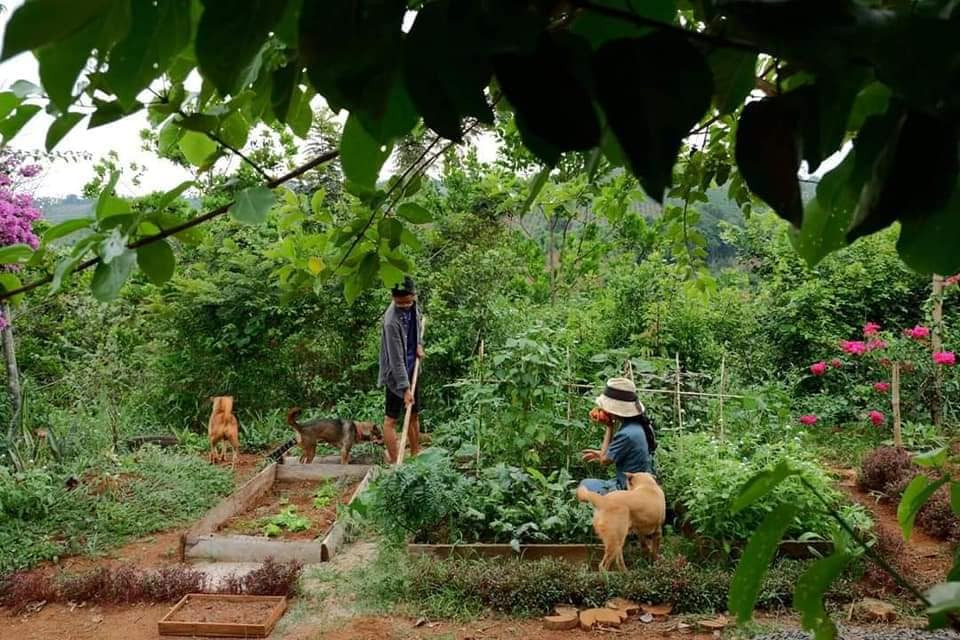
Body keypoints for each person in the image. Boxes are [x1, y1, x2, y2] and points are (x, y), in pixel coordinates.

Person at [579, 377, 657, 496]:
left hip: (629, 489)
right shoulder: (639, 426)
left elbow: (605, 461)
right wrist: (601, 454)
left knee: (584, 485)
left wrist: (609, 426)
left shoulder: (626, 434)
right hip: (644, 485)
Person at [378, 276, 425, 462]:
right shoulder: (391, 321)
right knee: (391, 420)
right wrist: (404, 389)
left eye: (408, 301)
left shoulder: (414, 305)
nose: (405, 306)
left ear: (414, 295)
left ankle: (415, 457)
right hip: (396, 376)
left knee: (413, 415)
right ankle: (396, 462)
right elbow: (396, 359)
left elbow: (417, 326)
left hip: (413, 368)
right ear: (392, 298)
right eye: (400, 303)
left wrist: (419, 344)